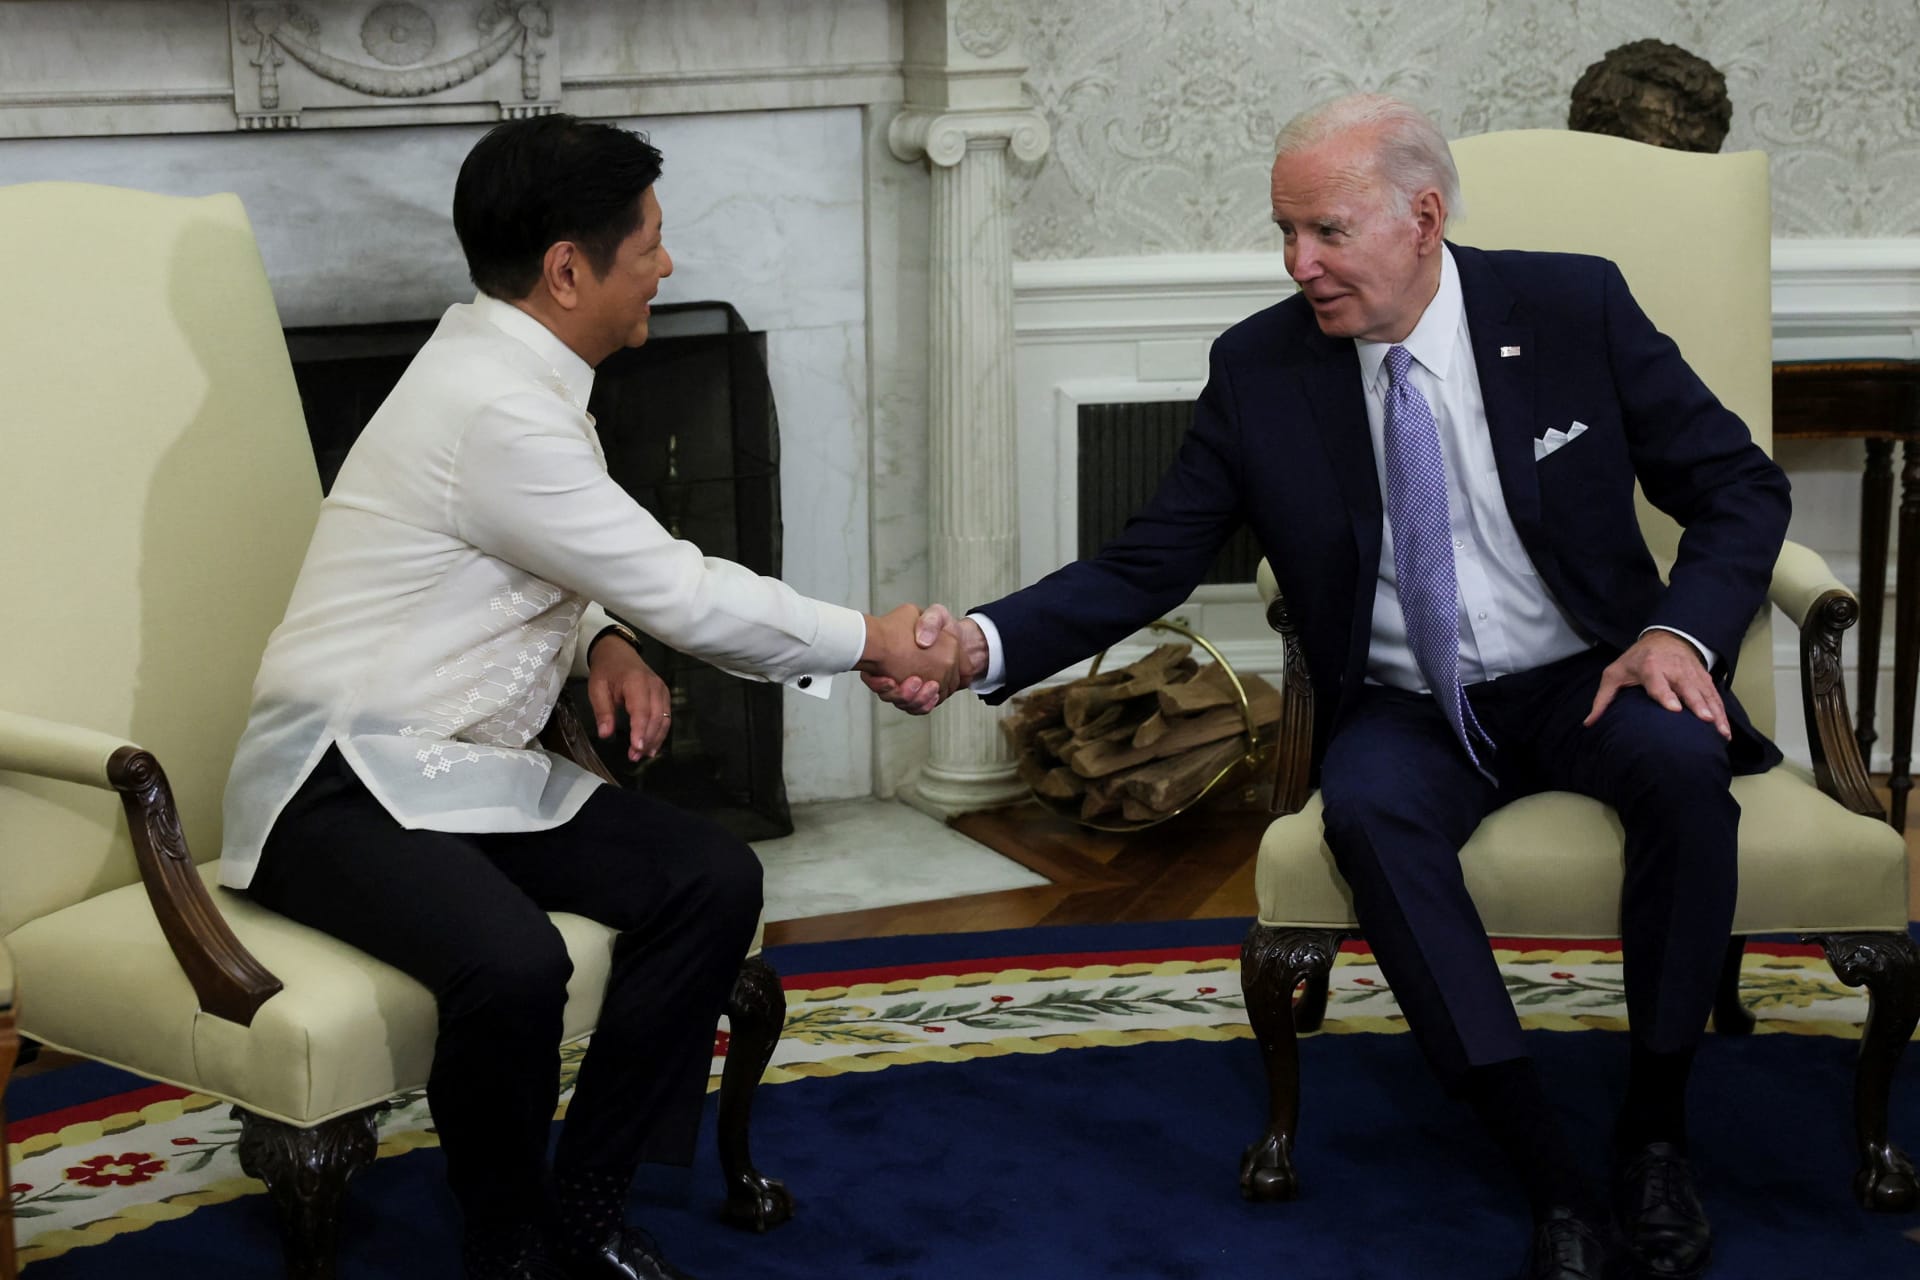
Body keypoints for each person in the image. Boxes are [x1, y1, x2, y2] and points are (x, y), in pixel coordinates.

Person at [872, 94, 1788, 1280]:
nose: (1301, 263)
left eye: (1327, 232)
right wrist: (977, 646)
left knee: (1682, 764)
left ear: (1423, 215)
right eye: (1285, 233)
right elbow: (1151, 558)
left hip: (1584, 670)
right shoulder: (1261, 367)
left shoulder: (1572, 306)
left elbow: (1739, 487)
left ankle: (1656, 1131)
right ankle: (1547, 1170)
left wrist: (1677, 631)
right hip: (1410, 701)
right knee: (1368, 813)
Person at [219, 114, 960, 1280]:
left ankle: (591, 1201)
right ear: (569, 268)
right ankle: (507, 1239)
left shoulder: (509, 370)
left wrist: (605, 638)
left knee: (712, 876)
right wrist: (868, 637)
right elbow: (674, 582)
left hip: (454, 771)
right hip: (337, 782)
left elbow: (566, 561)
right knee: (513, 965)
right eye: (652, 244)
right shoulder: (499, 407)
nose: (669, 264)